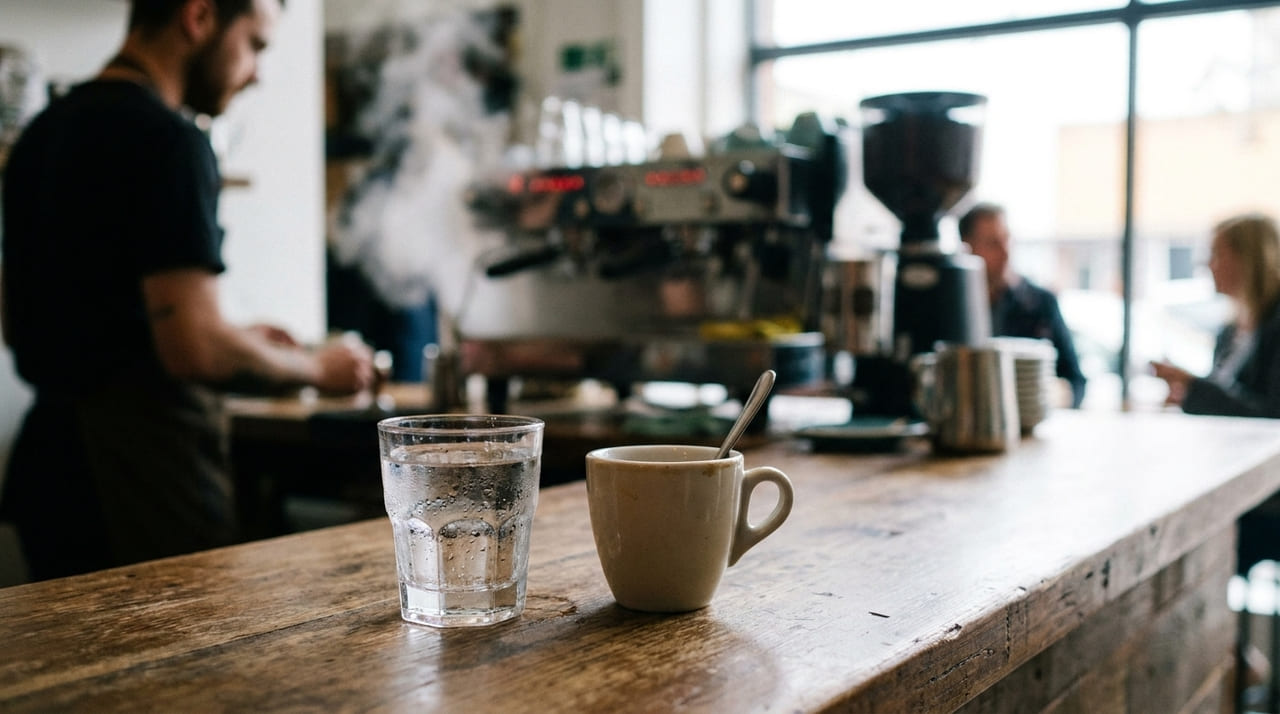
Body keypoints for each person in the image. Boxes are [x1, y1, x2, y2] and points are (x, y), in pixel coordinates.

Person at [0, 0, 375, 581]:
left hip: (49, 469)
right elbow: (193, 348)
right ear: (198, 17)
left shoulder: (41, 135)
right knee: (187, 669)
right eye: (255, 44)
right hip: (142, 476)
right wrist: (312, 367)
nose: (257, 72)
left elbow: (31, 314)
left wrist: (232, 335)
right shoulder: (169, 140)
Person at [1150, 213, 1280, 417]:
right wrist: (1185, 393)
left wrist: (1193, 386)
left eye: (1216, 254)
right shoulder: (1231, 330)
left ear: (1248, 258)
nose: (1208, 265)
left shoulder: (1274, 325)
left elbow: (1272, 412)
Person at [959, 202, 1088, 407]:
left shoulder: (1041, 303)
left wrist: (1060, 398)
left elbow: (1076, 381)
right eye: (993, 243)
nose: (1005, 252)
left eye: (1007, 239)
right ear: (967, 247)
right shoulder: (954, 308)